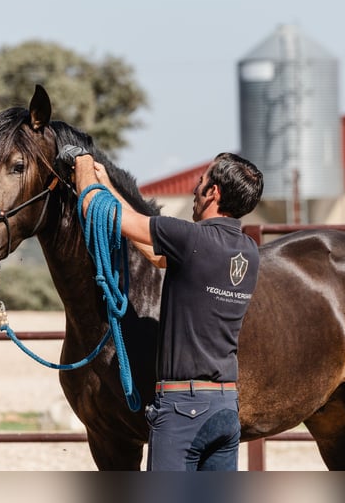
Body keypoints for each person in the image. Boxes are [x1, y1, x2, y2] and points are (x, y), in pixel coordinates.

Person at [62, 147, 263, 471]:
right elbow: (155, 253)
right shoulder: (248, 253)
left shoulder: (189, 238)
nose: (195, 189)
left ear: (213, 192)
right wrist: (110, 185)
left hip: (184, 409)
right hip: (226, 408)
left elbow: (91, 205)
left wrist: (83, 164)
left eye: (201, 182)